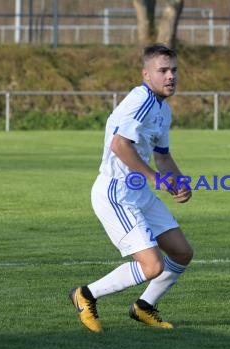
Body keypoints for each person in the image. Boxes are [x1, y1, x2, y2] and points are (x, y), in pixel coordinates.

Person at [69, 44, 194, 333]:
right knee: (153, 266)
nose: (170, 76)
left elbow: (162, 155)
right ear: (146, 74)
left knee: (182, 253)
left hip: (139, 194)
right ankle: (85, 295)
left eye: (174, 70)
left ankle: (144, 307)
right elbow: (119, 145)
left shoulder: (162, 108)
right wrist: (153, 177)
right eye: (163, 71)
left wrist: (179, 182)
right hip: (117, 194)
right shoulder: (141, 100)